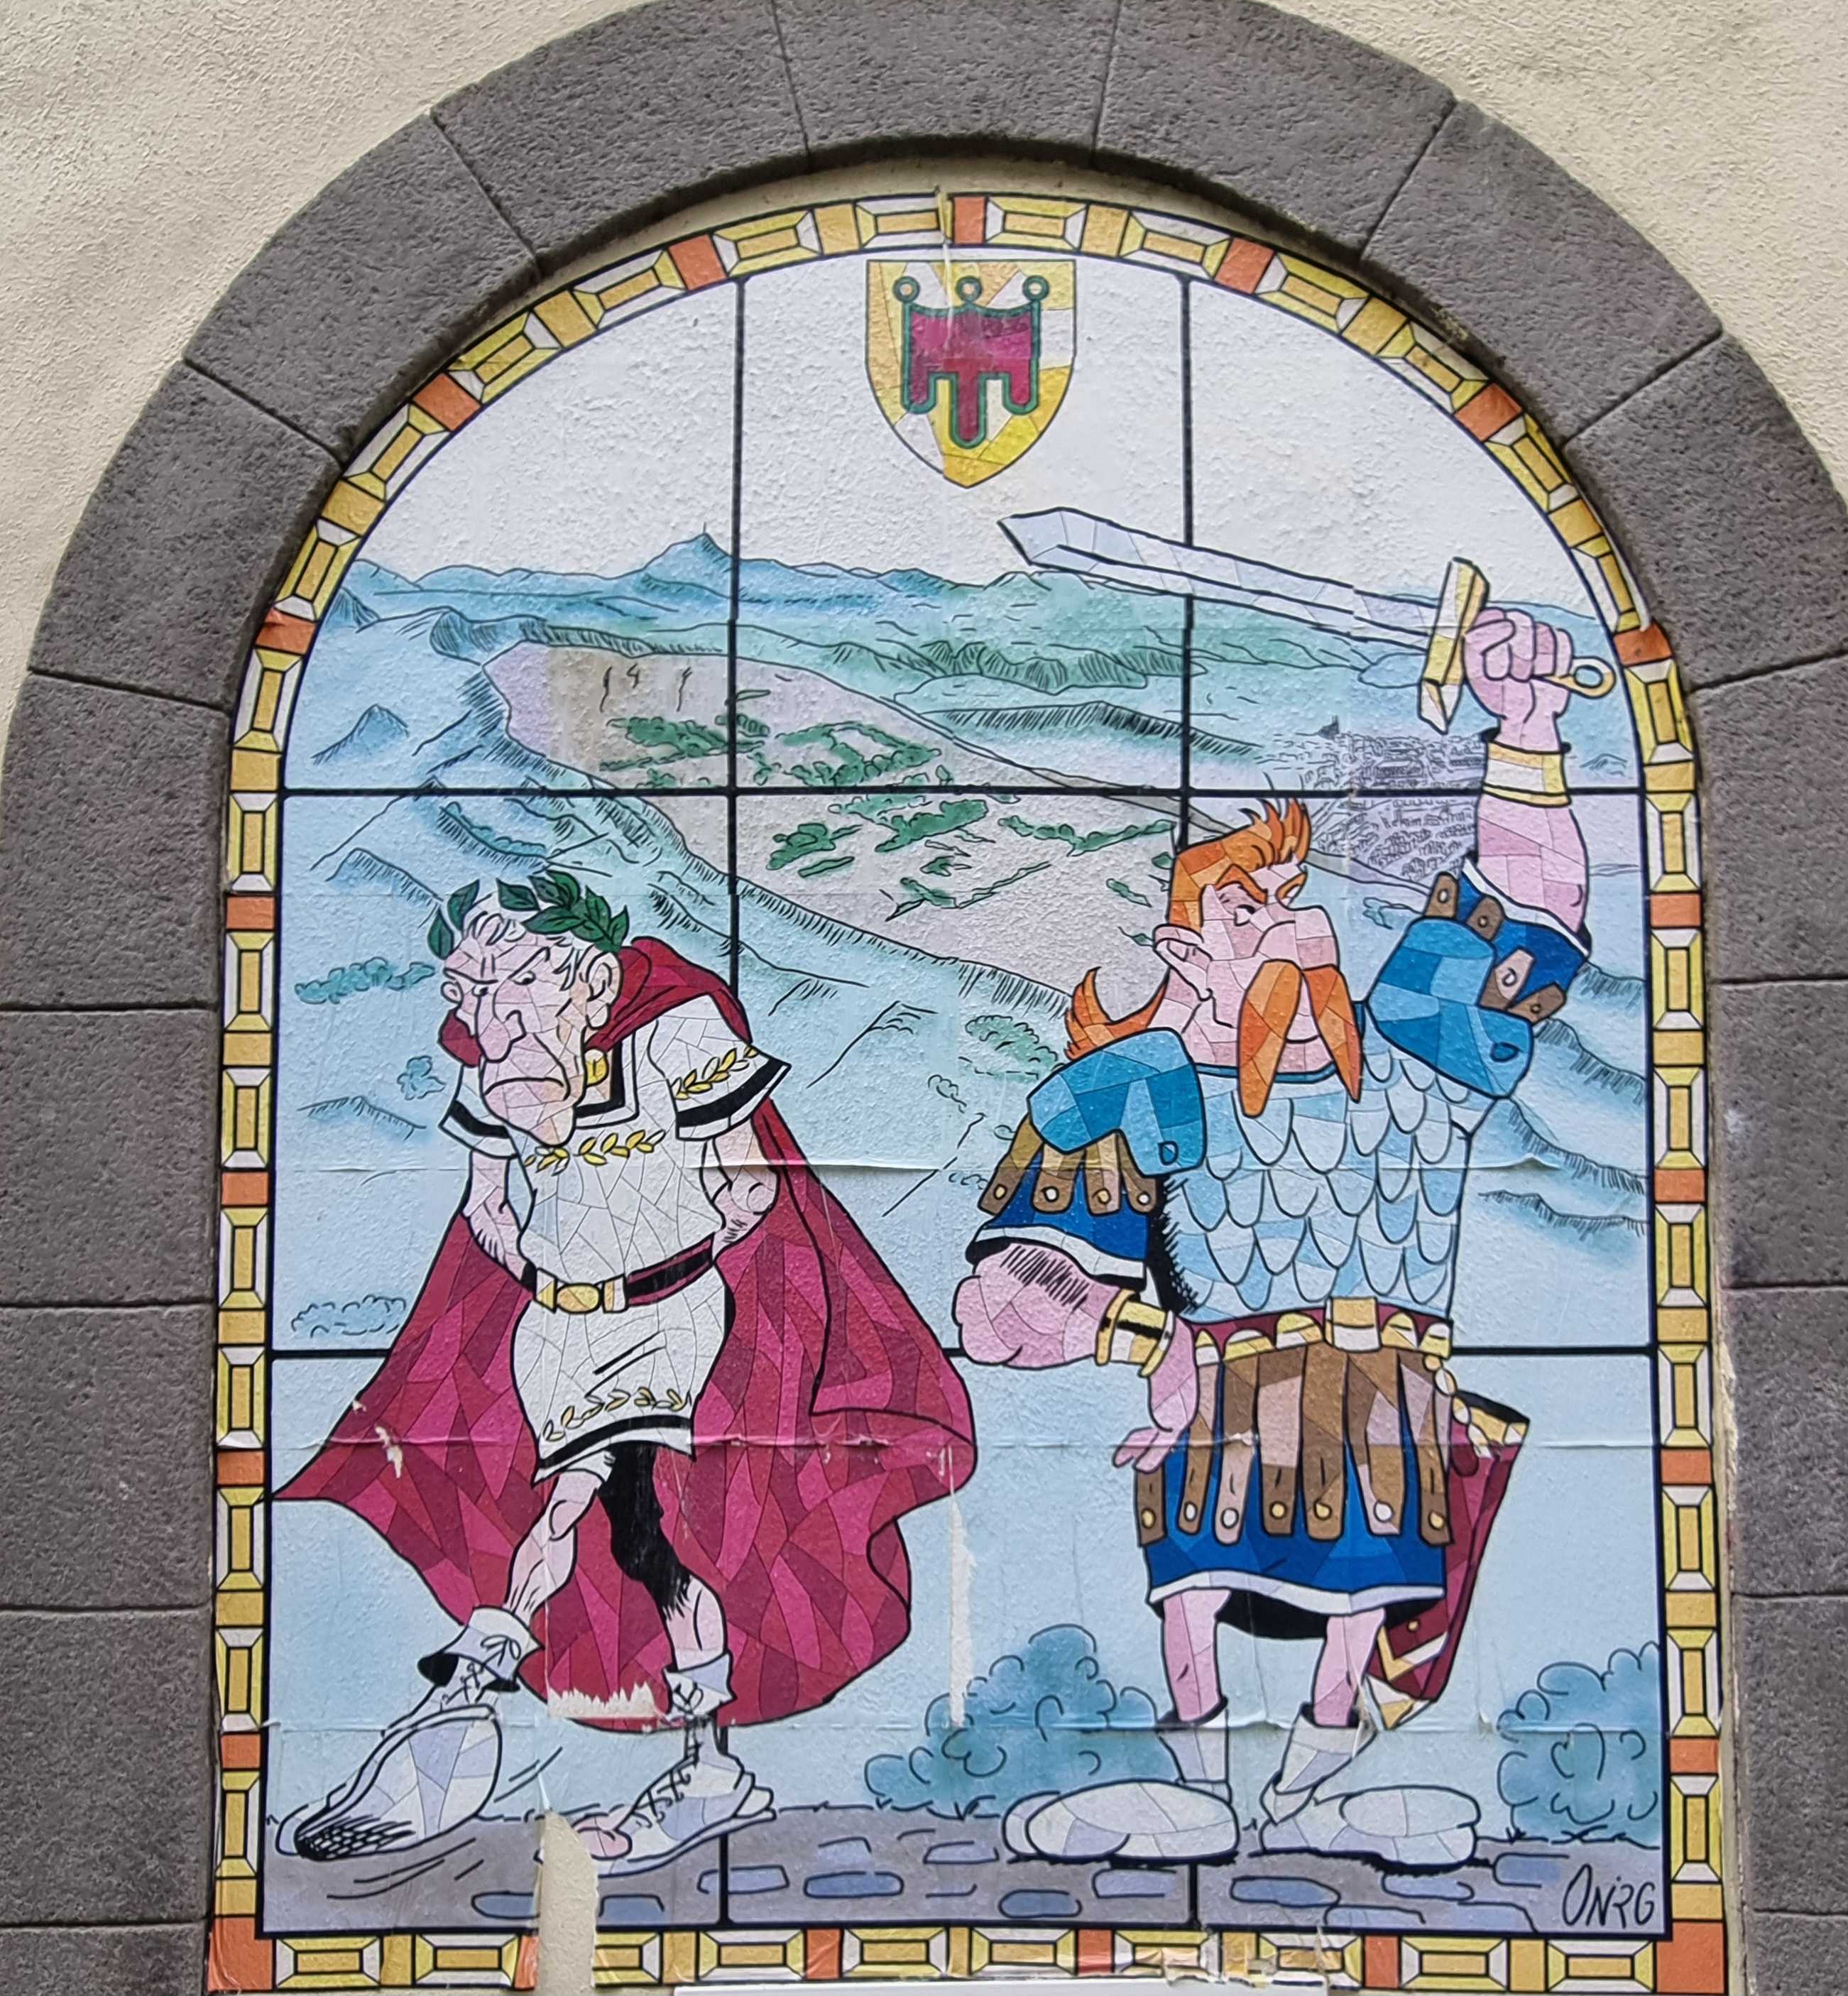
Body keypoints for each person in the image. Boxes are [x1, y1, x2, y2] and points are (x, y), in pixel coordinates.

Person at [954, 607, 1587, 1867]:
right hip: (1226, 1409)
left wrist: (1527, 730)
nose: (1296, 922)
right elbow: (1001, 1304)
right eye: (1250, 910)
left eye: (1297, 898)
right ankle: (1198, 1790)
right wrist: (1152, 1346)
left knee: (1363, 1602)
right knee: (1194, 1595)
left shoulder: (1414, 1059)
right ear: (1186, 950)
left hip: (1386, 1408)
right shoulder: (1148, 1089)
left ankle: (1309, 1792)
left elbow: (1528, 915)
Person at [284, 871, 975, 1870]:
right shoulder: (499, 1069)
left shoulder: (678, 1038)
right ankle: (544, 1709)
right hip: (559, 1332)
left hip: (672, 1319)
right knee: (586, 1514)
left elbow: (750, 1182)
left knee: (635, 1517)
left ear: (588, 977)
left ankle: (548, 1700)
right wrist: (548, 1273)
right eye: (473, 990)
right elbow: (487, 1208)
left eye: (519, 980)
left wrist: (681, 1258)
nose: (494, 1014)